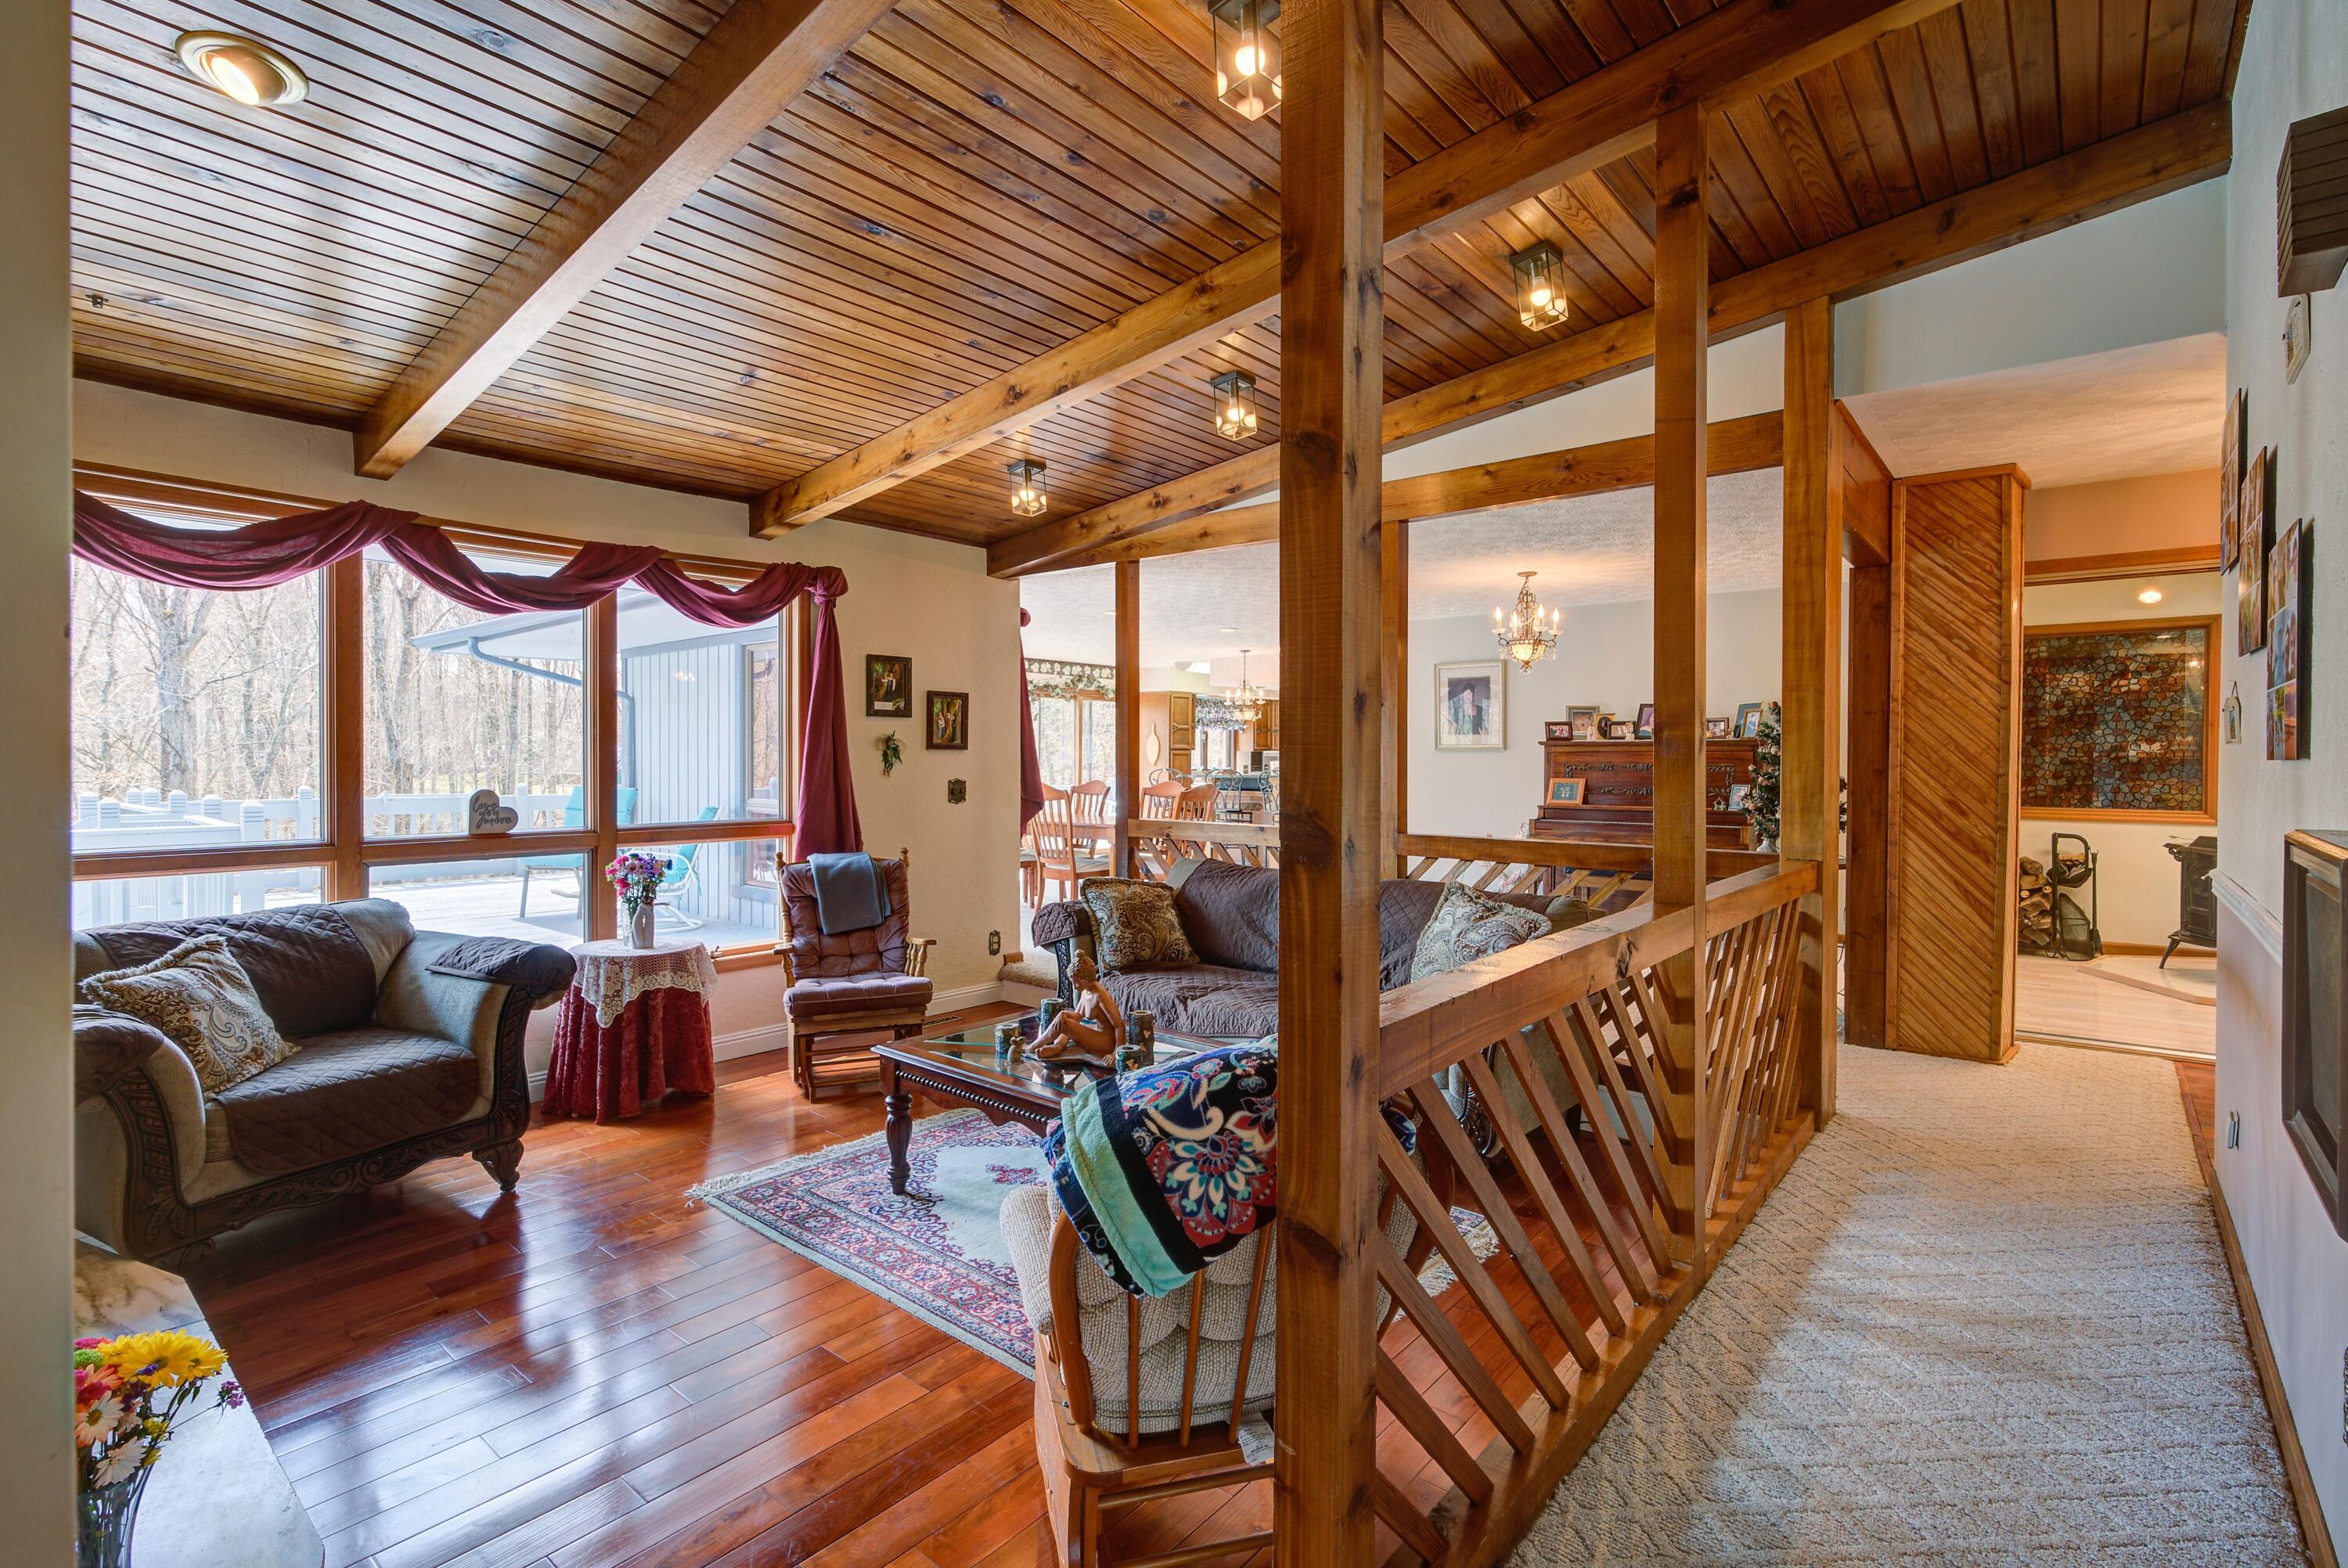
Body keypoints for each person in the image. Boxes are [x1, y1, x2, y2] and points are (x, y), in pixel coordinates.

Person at [1032, 951, 1123, 1062]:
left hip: (1107, 1042)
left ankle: (1033, 1046)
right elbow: (1078, 1016)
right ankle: (1058, 1046)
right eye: (1072, 982)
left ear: (1087, 978)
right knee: (1065, 1020)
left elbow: (1119, 1026)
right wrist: (1063, 1013)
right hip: (1098, 1034)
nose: (1074, 987)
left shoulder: (1100, 995)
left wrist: (1116, 1053)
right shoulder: (1086, 991)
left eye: (1077, 982)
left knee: (1066, 1024)